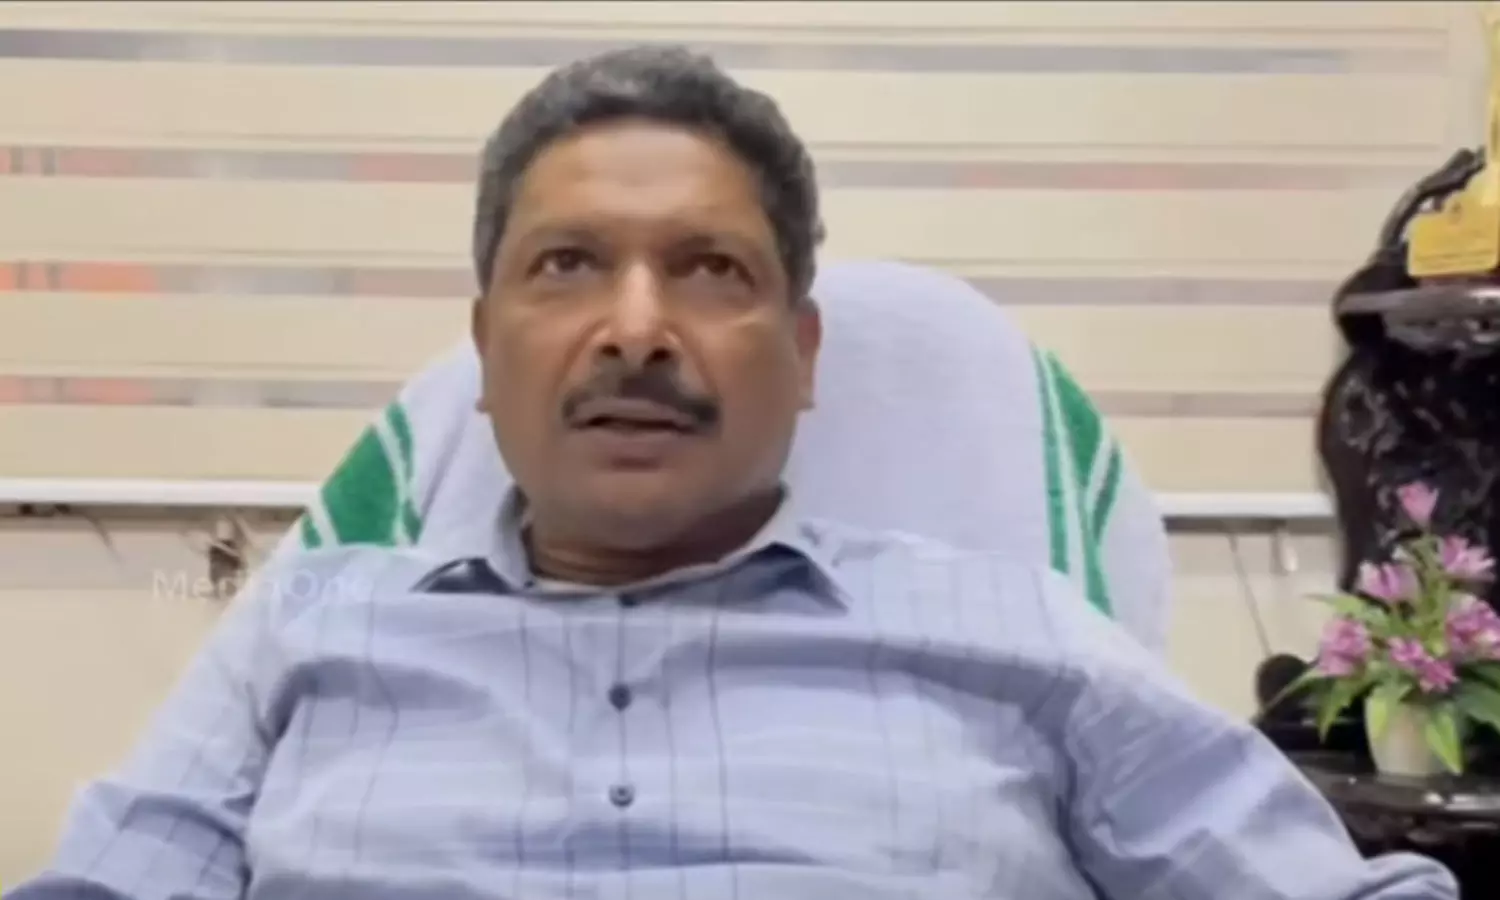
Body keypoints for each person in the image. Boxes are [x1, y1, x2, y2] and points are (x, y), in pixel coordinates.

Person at [13, 46, 1455, 900]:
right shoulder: (311, 627)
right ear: (485, 347)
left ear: (804, 352)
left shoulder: (1015, 633)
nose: (636, 329)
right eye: (567, 265)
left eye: (710, 270)